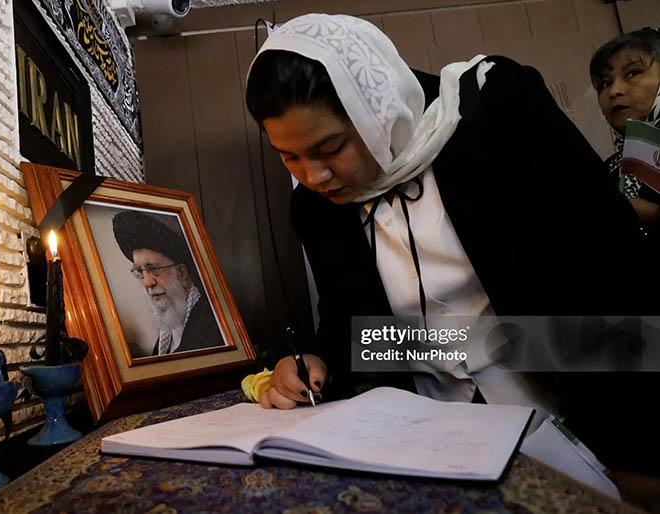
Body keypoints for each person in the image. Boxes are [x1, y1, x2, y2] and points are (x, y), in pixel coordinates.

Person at [245, 13, 660, 475]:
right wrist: (319, 361)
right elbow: (356, 331)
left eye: (331, 148)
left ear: (378, 109)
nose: (314, 175)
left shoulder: (494, 113)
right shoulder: (317, 208)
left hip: (578, 422)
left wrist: (635, 451)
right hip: (427, 442)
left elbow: (613, 269)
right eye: (290, 156)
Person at [112, 210, 224, 355]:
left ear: (181, 273)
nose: (147, 283)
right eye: (140, 271)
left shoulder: (214, 328)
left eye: (154, 269)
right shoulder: (169, 330)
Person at [590, 28, 660, 232]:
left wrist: (654, 216)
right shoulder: (606, 171)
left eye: (633, 73)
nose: (614, 91)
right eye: (605, 83)